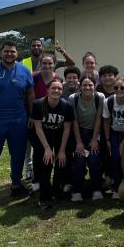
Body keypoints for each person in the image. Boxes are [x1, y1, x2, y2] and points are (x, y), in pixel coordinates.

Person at [0, 40, 35, 206]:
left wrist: (31, 115)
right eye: (6, 51)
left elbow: (30, 95)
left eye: (12, 51)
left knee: (18, 155)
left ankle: (16, 185)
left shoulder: (24, 70)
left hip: (19, 120)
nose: (9, 54)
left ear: (17, 53)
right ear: (1, 53)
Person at [31, 79, 74, 209]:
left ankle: (57, 190)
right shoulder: (38, 104)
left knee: (61, 163)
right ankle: (44, 197)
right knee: (46, 165)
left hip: (60, 138)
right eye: (53, 88)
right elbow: (38, 128)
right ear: (47, 90)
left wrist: (61, 151)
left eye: (59, 89)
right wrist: (47, 149)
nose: (56, 91)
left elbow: (67, 129)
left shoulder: (66, 106)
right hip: (43, 138)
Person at [69, 76, 105, 202]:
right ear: (79, 86)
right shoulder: (73, 98)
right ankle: (77, 191)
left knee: (94, 159)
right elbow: (74, 121)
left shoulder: (99, 97)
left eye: (90, 85)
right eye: (84, 85)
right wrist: (79, 142)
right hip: (78, 133)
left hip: (93, 133)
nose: (87, 87)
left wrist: (94, 139)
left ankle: (97, 189)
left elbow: (98, 119)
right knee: (79, 160)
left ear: (94, 86)